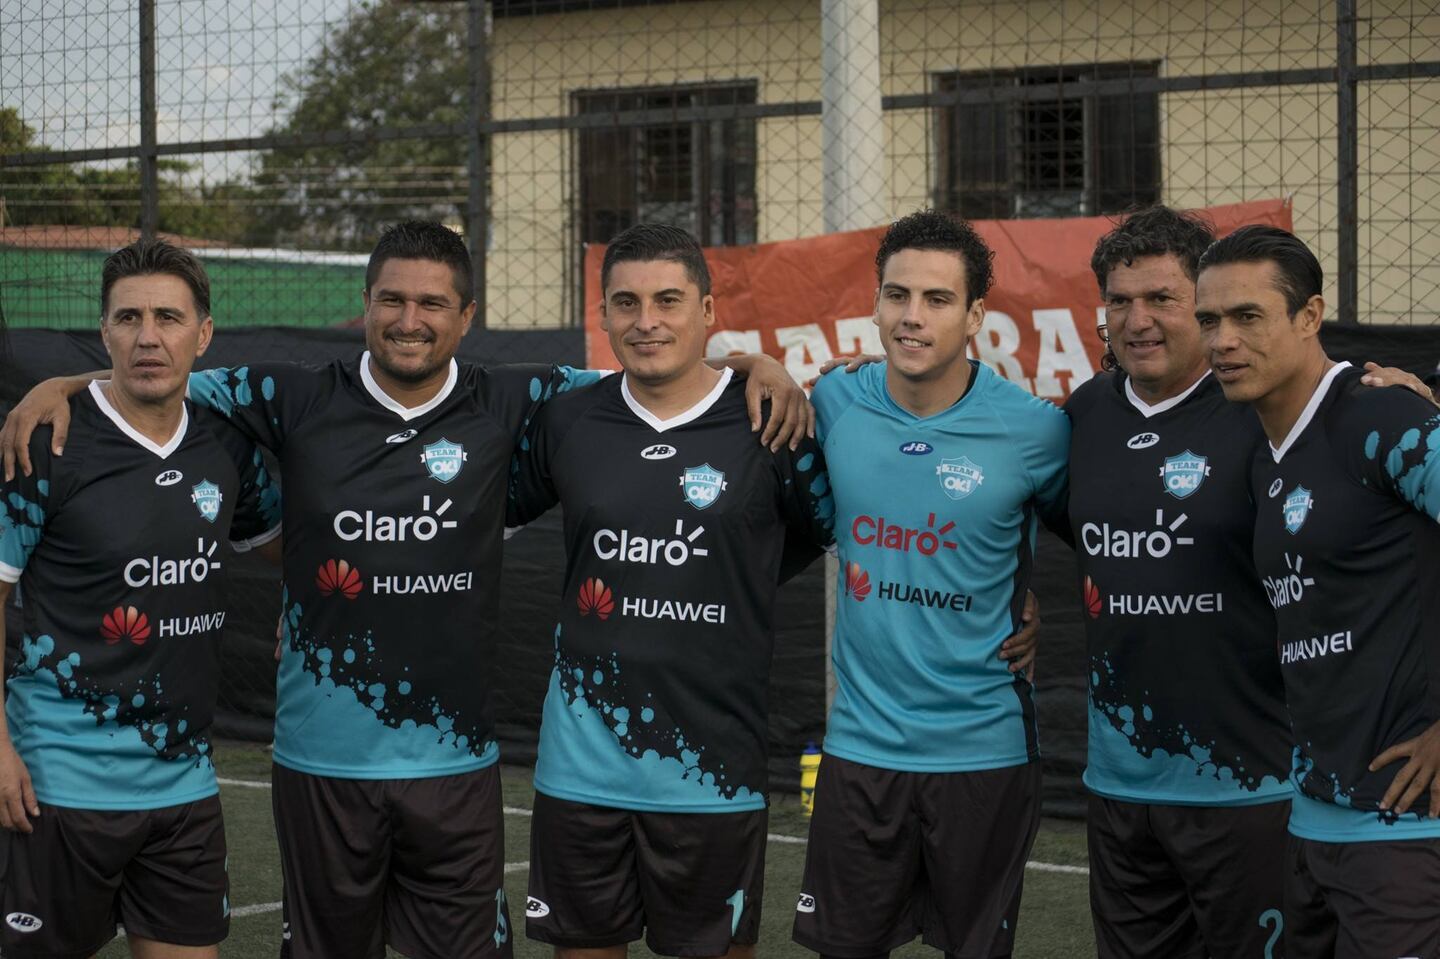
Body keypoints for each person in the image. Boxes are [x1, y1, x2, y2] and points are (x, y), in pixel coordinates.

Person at [0, 221, 810, 959]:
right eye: (392, 299)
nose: (409, 318)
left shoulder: (521, 399)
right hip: (321, 762)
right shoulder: (289, 395)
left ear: (466, 317)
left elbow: (658, 370)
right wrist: (63, 385)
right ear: (366, 307)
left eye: (431, 303)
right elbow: (150, 381)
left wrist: (754, 363)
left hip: (455, 763)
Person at [507, 223, 835, 957]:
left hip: (712, 769)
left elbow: (818, 530)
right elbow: (473, 518)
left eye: (668, 300)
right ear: (602, 315)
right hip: (581, 765)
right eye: (625, 302)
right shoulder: (568, 417)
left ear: (710, 312)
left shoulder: (771, 418)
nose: (646, 320)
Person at [792, 209, 1069, 959]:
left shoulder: (1035, 430)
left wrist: (1030, 596)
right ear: (876, 302)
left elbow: (1110, 535)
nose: (912, 317)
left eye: (938, 299)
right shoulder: (834, 402)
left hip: (984, 750)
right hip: (861, 745)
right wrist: (757, 368)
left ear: (976, 314)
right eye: (896, 295)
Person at [0, 239, 280, 959]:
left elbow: (290, 548)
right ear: (104, 330)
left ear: (204, 333)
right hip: (56, 786)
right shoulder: (44, 442)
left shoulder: (227, 443)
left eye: (168, 317)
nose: (148, 336)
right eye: (128, 318)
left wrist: (307, 603)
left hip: (183, 786)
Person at [1059, 206, 1298, 957]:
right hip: (1122, 785)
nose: (1138, 319)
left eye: (1162, 298)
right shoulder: (1084, 413)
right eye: (1120, 301)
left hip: (1256, 784)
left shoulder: (1266, 407)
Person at [1195, 224, 1440, 957]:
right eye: (1209, 320)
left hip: (1407, 831)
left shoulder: (1381, 416)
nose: (1223, 340)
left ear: (1309, 316)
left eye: (1247, 316)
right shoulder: (1263, 450)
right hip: (1315, 820)